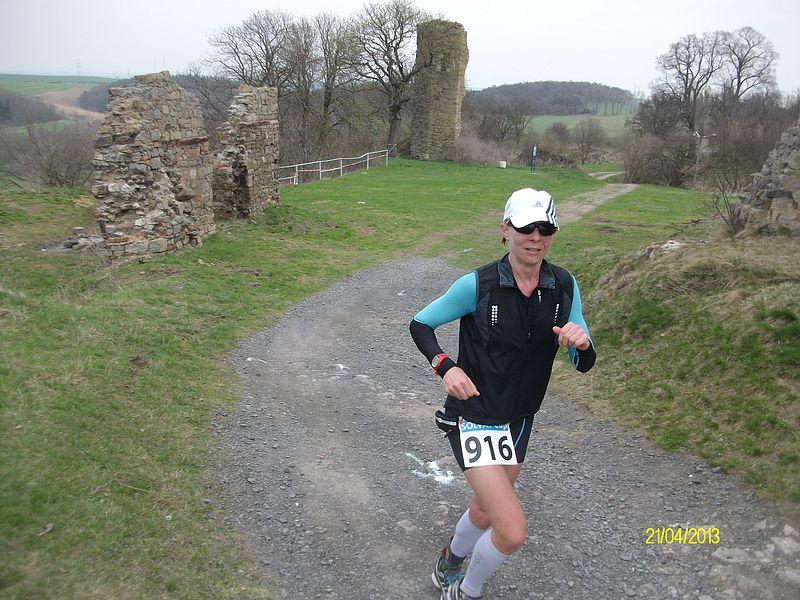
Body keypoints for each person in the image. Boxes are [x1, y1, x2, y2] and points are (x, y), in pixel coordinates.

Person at [409, 188, 596, 599]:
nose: (536, 237)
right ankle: (465, 591)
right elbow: (420, 324)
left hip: (519, 420)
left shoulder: (564, 286)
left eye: (545, 228)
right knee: (511, 531)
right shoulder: (478, 285)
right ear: (505, 230)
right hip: (473, 416)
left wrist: (581, 345)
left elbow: (584, 362)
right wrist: (445, 366)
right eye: (526, 227)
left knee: (483, 508)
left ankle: (449, 560)